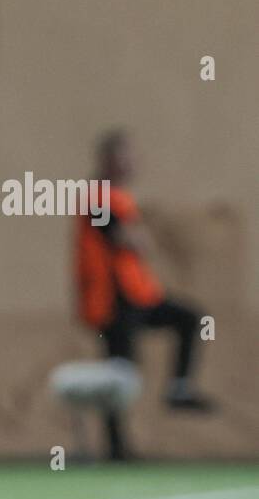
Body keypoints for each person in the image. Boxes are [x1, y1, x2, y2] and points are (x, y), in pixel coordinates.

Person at [76, 130, 212, 460]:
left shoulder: (118, 196)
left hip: (139, 296)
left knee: (190, 318)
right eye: (124, 156)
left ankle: (179, 388)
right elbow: (115, 234)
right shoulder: (96, 195)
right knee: (119, 371)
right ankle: (117, 449)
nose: (131, 163)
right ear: (108, 160)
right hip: (113, 301)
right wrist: (135, 236)